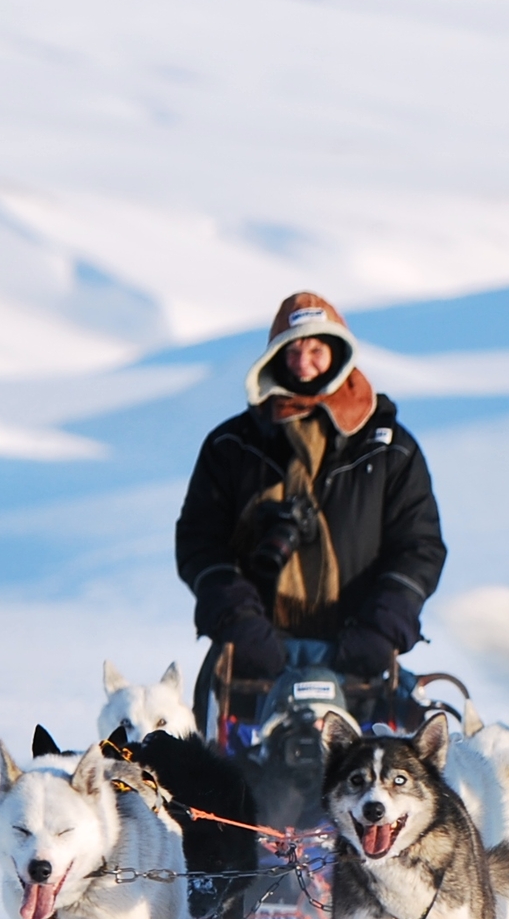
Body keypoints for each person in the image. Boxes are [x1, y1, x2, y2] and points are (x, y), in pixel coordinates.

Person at [176, 293, 446, 730]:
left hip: (362, 662)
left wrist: (380, 630)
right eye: (293, 350)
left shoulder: (391, 447)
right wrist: (239, 621)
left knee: (383, 793)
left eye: (316, 350)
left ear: (339, 354)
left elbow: (419, 547)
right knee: (225, 792)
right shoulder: (232, 446)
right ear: (275, 358)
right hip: (253, 663)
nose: (304, 363)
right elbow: (200, 543)